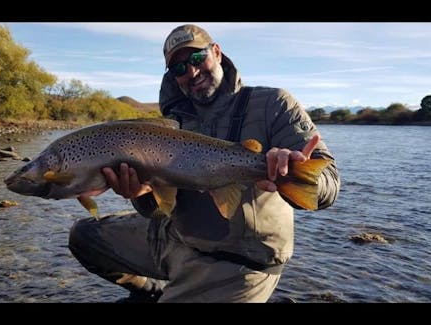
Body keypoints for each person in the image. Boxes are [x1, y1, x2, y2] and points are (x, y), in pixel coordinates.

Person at [68, 24, 340, 303]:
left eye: (197, 59)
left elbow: (329, 185)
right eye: (179, 69)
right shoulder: (171, 124)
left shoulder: (274, 104)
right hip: (177, 239)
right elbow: (159, 211)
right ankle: (151, 293)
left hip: (239, 262)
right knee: (84, 236)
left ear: (217, 52)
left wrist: (295, 171)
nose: (192, 72)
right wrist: (140, 195)